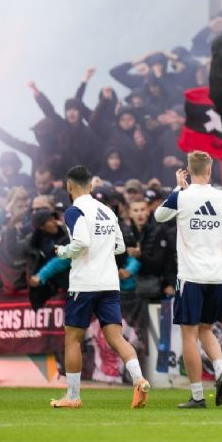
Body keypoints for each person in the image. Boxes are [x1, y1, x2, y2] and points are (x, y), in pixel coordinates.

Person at [48, 166, 150, 410]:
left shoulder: (74, 211)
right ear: (90, 186)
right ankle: (139, 379)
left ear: (69, 187)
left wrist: (63, 251)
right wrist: (101, 250)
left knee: (73, 340)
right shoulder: (106, 210)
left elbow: (81, 242)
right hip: (109, 284)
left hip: (84, 283)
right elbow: (120, 247)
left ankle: (73, 396)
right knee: (116, 337)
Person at [154, 151, 222, 408]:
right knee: (206, 329)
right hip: (216, 275)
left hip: (191, 275)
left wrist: (177, 188)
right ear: (210, 169)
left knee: (189, 335)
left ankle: (198, 395)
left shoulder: (181, 196)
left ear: (189, 171)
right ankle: (221, 372)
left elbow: (159, 216)